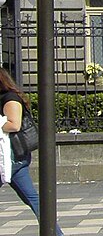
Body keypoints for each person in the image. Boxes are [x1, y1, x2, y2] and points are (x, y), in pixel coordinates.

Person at [0, 67, 65, 236]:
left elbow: (14, 124)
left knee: (34, 199)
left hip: (11, 159)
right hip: (10, 159)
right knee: (33, 199)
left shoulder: (10, 99)